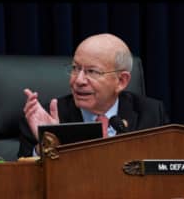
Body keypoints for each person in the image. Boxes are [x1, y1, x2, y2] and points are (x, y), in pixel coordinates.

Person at [18, 33, 169, 157]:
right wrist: (47, 144)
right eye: (75, 68)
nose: (79, 80)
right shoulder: (43, 119)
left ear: (121, 81)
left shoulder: (151, 114)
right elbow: (25, 184)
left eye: (92, 71)